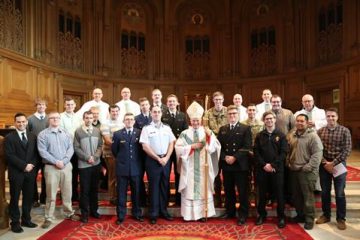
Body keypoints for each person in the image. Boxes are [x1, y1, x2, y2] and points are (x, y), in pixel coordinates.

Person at [175, 101, 221, 221]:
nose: (195, 122)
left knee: (203, 188)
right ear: (190, 121)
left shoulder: (206, 132)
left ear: (200, 120)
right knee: (190, 189)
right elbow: (178, 148)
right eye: (193, 120)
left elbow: (215, 146)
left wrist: (209, 141)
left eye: (197, 120)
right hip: (189, 165)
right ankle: (189, 215)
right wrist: (191, 147)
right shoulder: (184, 134)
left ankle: (203, 214)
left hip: (203, 166)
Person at [37, 112, 80, 229]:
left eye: (57, 118)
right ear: (49, 120)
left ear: (60, 119)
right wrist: (56, 162)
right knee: (51, 193)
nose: (55, 119)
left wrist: (64, 161)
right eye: (52, 118)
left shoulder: (66, 133)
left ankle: (68, 212)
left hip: (66, 166)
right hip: (51, 167)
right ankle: (49, 217)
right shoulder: (43, 134)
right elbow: (42, 152)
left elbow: (70, 149)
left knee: (67, 191)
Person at [316, 108, 352, 230]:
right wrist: (325, 163)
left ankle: (341, 218)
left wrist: (333, 163)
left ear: (337, 117)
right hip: (324, 165)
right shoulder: (320, 131)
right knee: (325, 192)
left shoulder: (344, 131)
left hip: (339, 164)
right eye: (328, 116)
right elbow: (317, 149)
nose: (330, 118)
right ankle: (326, 215)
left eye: (333, 116)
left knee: (340, 193)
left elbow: (347, 150)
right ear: (325, 117)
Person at [139, 106, 176, 224]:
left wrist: (167, 157)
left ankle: (164, 211)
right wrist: (157, 158)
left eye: (158, 112)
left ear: (161, 114)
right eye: (154, 112)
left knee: (165, 186)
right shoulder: (146, 129)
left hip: (165, 160)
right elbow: (145, 146)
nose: (156, 114)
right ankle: (153, 213)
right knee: (154, 187)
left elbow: (172, 143)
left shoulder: (167, 128)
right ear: (151, 113)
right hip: (152, 161)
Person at [287, 114, 323, 230]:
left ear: (307, 123)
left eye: (302, 121)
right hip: (294, 170)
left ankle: (309, 219)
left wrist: (308, 167)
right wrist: (288, 162)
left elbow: (317, 154)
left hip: (307, 171)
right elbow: (287, 150)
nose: (299, 123)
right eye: (297, 121)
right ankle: (300, 215)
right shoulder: (292, 135)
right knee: (297, 197)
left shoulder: (313, 136)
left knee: (308, 197)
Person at [4, 113, 39, 233]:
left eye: (23, 121)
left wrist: (31, 166)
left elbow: (35, 154)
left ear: (27, 122)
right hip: (16, 173)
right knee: (15, 198)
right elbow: (9, 156)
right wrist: (24, 166)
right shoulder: (9, 137)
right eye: (18, 122)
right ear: (15, 123)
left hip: (30, 172)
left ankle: (26, 219)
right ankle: (15, 222)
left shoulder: (33, 136)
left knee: (28, 198)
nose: (21, 124)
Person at [217, 105, 252, 225]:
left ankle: (243, 214)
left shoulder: (245, 128)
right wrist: (224, 157)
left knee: (242, 191)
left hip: (240, 165)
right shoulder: (223, 129)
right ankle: (230, 211)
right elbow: (219, 147)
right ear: (227, 115)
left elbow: (247, 146)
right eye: (230, 114)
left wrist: (235, 157)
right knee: (228, 189)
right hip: (227, 164)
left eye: (234, 114)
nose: (232, 116)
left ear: (238, 115)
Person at [254, 111, 288, 228]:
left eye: (271, 118)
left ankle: (281, 217)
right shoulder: (259, 135)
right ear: (264, 121)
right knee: (262, 194)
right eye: (267, 119)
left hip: (277, 170)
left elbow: (284, 153)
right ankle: (261, 215)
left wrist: (273, 165)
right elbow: (256, 152)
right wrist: (264, 165)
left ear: (275, 120)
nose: (269, 120)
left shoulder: (281, 135)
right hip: (262, 169)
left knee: (279, 194)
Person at [112, 113, 144, 224]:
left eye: (131, 119)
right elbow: (115, 151)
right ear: (123, 121)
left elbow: (141, 151)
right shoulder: (117, 134)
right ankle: (121, 216)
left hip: (136, 168)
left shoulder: (139, 133)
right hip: (122, 168)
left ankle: (137, 214)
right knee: (121, 193)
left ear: (134, 121)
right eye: (127, 119)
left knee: (136, 193)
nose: (129, 121)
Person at [74, 111, 103, 223]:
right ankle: (85, 213)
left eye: (91, 118)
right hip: (84, 165)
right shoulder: (78, 131)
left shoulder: (97, 131)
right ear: (83, 118)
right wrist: (87, 158)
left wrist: (95, 157)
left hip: (96, 164)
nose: (89, 120)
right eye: (87, 118)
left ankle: (94, 211)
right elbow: (76, 148)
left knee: (94, 189)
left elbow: (100, 146)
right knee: (84, 190)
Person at [294, 94, 327, 193]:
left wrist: (316, 123)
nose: (307, 103)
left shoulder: (321, 112)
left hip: (318, 140)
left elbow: (326, 122)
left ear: (313, 101)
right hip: (303, 141)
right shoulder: (298, 113)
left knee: (317, 162)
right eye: (305, 101)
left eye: (309, 101)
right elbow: (295, 125)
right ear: (302, 103)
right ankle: (306, 186)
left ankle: (317, 187)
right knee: (307, 161)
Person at [162, 94, 188, 206]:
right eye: (169, 102)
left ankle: (179, 199)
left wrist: (179, 142)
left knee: (179, 174)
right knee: (166, 175)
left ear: (177, 103)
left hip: (179, 148)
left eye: (173, 101)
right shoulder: (163, 116)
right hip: (167, 148)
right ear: (167, 104)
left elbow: (185, 132)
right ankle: (166, 199)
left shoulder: (182, 115)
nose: (171, 103)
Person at [203, 91, 228, 207]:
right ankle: (217, 198)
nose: (218, 102)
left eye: (220, 99)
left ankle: (228, 199)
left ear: (223, 100)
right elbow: (205, 128)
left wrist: (215, 133)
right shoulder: (207, 113)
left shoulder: (228, 112)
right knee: (215, 173)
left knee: (227, 174)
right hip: (213, 147)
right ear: (213, 100)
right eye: (216, 99)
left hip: (227, 147)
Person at [100, 105, 124, 205]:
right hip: (110, 154)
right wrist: (120, 148)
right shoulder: (105, 123)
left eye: (116, 111)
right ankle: (113, 197)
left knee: (119, 176)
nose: (115, 113)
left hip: (120, 154)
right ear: (109, 112)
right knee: (113, 176)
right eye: (113, 111)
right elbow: (107, 140)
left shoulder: (121, 123)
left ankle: (119, 196)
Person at [27, 97, 48, 207]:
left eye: (43, 104)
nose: (41, 106)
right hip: (34, 153)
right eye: (39, 104)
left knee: (46, 176)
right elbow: (27, 136)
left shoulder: (49, 119)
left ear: (46, 106)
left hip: (46, 153)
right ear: (36, 106)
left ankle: (44, 198)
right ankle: (34, 199)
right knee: (32, 176)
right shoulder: (30, 119)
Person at [60, 97, 82, 202]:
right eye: (68, 104)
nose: (70, 106)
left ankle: (74, 194)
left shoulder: (78, 117)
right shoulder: (60, 117)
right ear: (64, 105)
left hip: (77, 148)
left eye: (71, 104)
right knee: (65, 172)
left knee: (75, 172)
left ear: (75, 106)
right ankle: (64, 194)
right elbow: (61, 132)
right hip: (65, 148)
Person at [134, 97, 152, 206]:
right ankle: (141, 200)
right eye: (142, 105)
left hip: (152, 152)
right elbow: (136, 134)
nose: (144, 106)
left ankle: (151, 199)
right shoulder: (136, 119)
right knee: (139, 176)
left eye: (146, 104)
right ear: (140, 107)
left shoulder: (154, 116)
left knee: (151, 177)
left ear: (149, 105)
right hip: (140, 152)